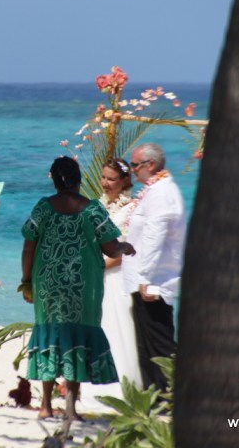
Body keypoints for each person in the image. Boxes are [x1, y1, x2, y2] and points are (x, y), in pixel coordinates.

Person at [19, 156, 135, 421]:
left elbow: (28, 247)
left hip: (48, 284)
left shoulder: (43, 208)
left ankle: (46, 405)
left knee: (50, 333)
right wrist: (125, 247)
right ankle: (70, 409)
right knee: (77, 336)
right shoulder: (92, 209)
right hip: (83, 286)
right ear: (79, 179)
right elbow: (111, 248)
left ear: (54, 179)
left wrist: (26, 279)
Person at [122, 143, 186, 392]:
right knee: (146, 346)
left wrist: (145, 277)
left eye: (135, 165)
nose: (132, 170)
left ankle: (174, 397)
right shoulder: (154, 190)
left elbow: (154, 237)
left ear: (151, 165)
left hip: (155, 281)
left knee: (160, 346)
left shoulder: (161, 193)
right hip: (145, 280)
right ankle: (154, 398)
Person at [82, 158, 142, 407]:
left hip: (115, 278)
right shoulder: (97, 206)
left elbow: (125, 250)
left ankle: (122, 388)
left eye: (111, 179)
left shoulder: (133, 209)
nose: (105, 183)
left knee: (116, 328)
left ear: (125, 181)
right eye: (103, 177)